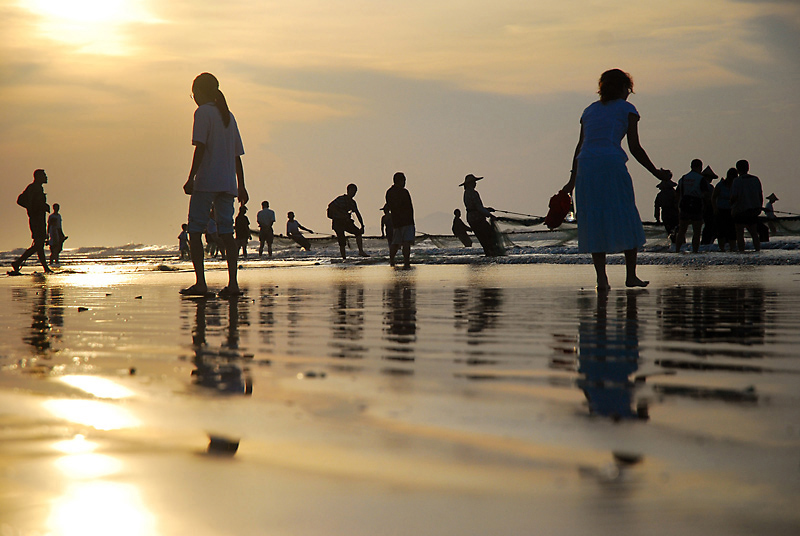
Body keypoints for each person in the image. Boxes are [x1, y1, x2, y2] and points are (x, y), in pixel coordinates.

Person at [561, 69, 671, 290]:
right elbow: (635, 148)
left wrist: (571, 181)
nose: (629, 94)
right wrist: (657, 173)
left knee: (594, 219)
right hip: (611, 164)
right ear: (623, 88)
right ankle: (631, 276)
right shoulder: (627, 109)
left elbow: (580, 146)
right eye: (628, 89)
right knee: (626, 214)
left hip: (586, 167)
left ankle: (602, 279)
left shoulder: (589, 111)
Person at [182, 72, 248, 297]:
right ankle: (233, 284)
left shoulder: (203, 113)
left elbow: (200, 147)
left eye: (194, 94)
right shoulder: (228, 115)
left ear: (200, 92)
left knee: (195, 230)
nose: (194, 98)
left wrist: (191, 177)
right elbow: (237, 155)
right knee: (227, 232)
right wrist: (242, 185)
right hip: (227, 182)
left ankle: (201, 283)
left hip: (208, 180)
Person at [9, 169, 54, 275]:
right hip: (36, 220)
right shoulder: (33, 188)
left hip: (39, 219)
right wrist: (32, 208)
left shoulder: (38, 188)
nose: (46, 177)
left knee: (39, 245)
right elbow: (20, 200)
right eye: (44, 175)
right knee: (38, 244)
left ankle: (42, 267)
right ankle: (20, 262)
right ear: (38, 177)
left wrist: (42, 206)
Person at [675, 159, 712, 253]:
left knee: (682, 231)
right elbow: (705, 194)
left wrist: (678, 206)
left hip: (684, 205)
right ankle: (695, 251)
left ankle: (677, 250)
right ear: (700, 167)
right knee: (696, 231)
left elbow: (678, 192)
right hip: (696, 204)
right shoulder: (700, 179)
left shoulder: (683, 178)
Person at [461, 174, 502, 256]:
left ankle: (488, 253)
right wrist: (489, 215)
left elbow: (475, 207)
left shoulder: (466, 193)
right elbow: (478, 208)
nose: (475, 183)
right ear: (470, 183)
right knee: (489, 236)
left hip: (471, 218)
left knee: (482, 238)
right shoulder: (473, 193)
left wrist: (486, 209)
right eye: (474, 182)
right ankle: (491, 254)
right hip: (477, 219)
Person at [327, 183, 368, 260]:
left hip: (346, 222)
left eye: (355, 192)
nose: (354, 193)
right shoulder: (340, 199)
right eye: (353, 191)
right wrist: (340, 214)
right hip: (338, 222)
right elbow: (331, 206)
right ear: (348, 190)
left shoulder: (352, 202)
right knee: (342, 240)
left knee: (358, 232)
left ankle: (361, 251)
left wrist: (362, 225)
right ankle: (344, 258)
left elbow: (357, 213)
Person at [730, 159, 763, 252]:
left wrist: (731, 205)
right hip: (753, 209)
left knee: (740, 234)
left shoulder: (737, 181)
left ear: (737, 169)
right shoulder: (755, 179)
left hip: (740, 210)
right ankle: (757, 250)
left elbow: (734, 196)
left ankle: (742, 251)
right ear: (748, 168)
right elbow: (760, 195)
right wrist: (759, 206)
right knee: (754, 233)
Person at [385, 171, 415, 268]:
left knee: (395, 242)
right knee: (406, 242)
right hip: (407, 221)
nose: (405, 182)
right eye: (404, 180)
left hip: (396, 221)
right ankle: (406, 261)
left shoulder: (389, 192)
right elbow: (409, 207)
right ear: (400, 181)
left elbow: (390, 206)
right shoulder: (404, 192)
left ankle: (392, 260)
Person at [712, 168, 737, 252]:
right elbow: (713, 197)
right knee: (721, 231)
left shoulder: (736, 185)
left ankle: (732, 248)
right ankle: (721, 248)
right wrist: (715, 208)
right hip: (721, 210)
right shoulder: (721, 185)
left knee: (732, 231)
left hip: (732, 210)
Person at [653, 178, 679, 244]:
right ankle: (678, 245)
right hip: (674, 214)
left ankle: (674, 245)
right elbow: (678, 204)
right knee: (677, 231)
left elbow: (657, 208)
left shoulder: (660, 195)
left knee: (670, 232)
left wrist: (657, 219)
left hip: (666, 214)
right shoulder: (674, 193)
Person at [700, 166, 718, 245]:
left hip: (704, 208)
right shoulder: (708, 186)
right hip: (708, 208)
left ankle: (705, 242)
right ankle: (706, 242)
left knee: (708, 226)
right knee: (710, 226)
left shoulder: (702, 185)